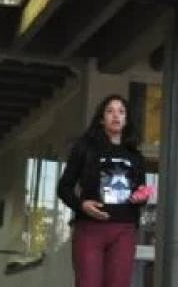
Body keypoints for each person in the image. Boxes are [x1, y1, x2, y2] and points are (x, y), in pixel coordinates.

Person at [57, 94, 150, 287]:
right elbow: (64, 187)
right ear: (101, 118)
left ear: (126, 120)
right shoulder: (84, 148)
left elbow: (140, 192)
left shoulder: (135, 156)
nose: (116, 115)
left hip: (124, 230)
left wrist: (141, 197)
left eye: (121, 112)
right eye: (110, 111)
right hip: (90, 229)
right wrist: (81, 205)